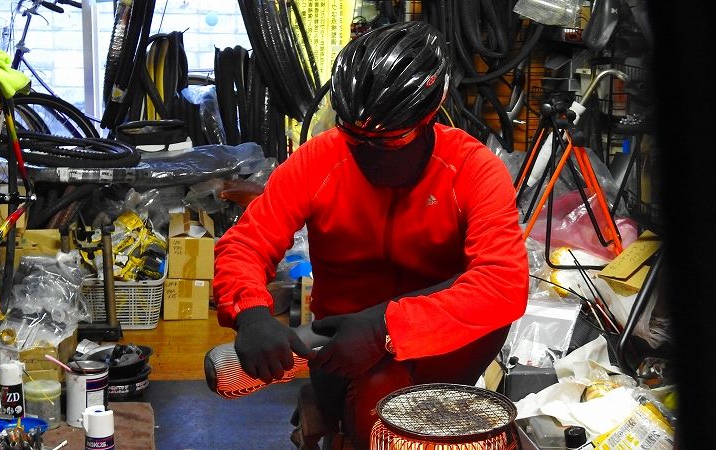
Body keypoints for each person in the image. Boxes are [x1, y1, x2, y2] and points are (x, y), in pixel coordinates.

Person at [213, 21, 529, 449]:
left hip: (445, 346)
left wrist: (384, 326)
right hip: (342, 344)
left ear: (429, 113)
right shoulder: (319, 160)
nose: (367, 151)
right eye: (355, 136)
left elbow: (503, 285)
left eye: (389, 141)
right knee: (374, 413)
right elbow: (248, 242)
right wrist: (250, 312)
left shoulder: (472, 169)